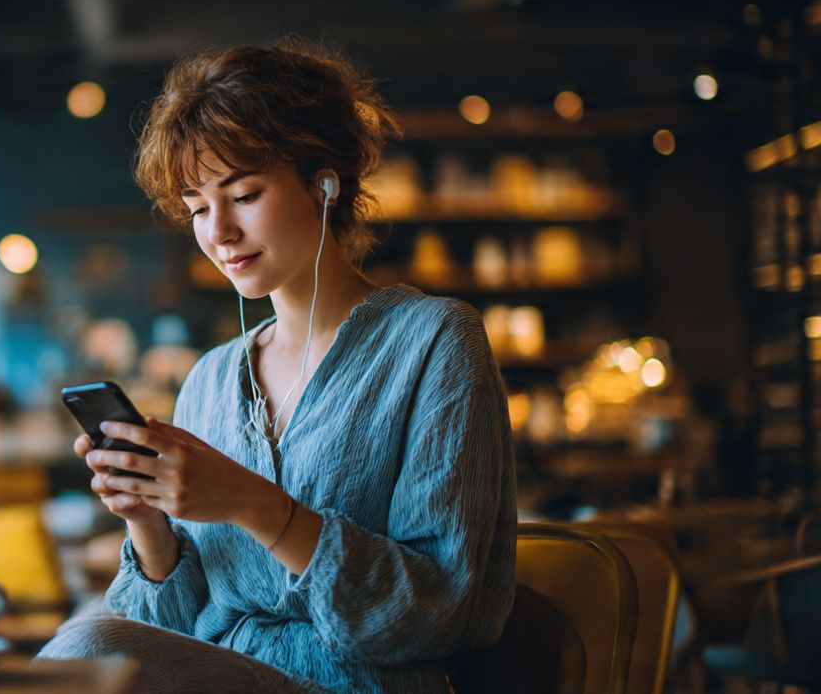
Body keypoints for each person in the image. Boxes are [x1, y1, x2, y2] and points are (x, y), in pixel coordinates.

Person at [36, 40, 517, 693]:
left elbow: (442, 609)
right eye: (198, 208)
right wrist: (145, 520)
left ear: (323, 181)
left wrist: (249, 501)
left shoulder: (433, 342)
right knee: (84, 636)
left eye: (244, 193)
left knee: (85, 647)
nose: (219, 233)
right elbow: (172, 630)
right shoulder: (210, 378)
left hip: (364, 684)